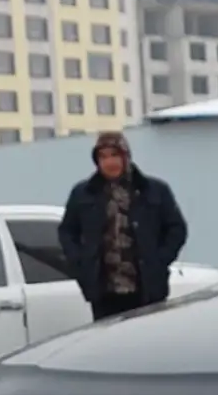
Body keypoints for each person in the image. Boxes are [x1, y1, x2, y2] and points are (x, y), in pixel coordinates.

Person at [58, 131, 189, 321]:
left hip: (146, 289)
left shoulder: (153, 190)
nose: (109, 162)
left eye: (114, 155)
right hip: (104, 292)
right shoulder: (83, 193)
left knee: (147, 344)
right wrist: (81, 265)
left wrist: (159, 261)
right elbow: (67, 232)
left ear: (125, 156)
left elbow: (177, 229)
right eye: (103, 157)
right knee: (109, 346)